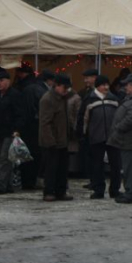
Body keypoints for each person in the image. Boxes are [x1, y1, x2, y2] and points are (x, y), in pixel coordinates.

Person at [78, 75, 122, 199]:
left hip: (113, 136)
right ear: (98, 86)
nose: (106, 87)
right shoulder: (89, 99)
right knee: (97, 165)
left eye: (107, 84)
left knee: (116, 165)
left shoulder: (114, 99)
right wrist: (83, 135)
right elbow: (83, 119)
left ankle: (115, 190)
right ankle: (98, 190)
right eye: (103, 85)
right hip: (96, 136)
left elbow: (119, 117)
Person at [106, 73, 132, 204]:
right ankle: (130, 191)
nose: (125, 88)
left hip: (130, 138)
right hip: (127, 138)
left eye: (128, 85)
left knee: (130, 168)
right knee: (128, 167)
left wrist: (119, 127)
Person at [0, 70, 24, 195]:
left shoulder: (14, 95)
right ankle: (8, 185)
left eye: (2, 80)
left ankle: (1, 184)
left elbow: (20, 114)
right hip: (0, 132)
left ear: (8, 81)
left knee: (4, 158)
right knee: (5, 158)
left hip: (10, 131)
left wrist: (17, 130)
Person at [39, 73, 75, 202]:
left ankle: (61, 191)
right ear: (57, 86)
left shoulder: (62, 97)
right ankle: (49, 191)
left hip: (62, 140)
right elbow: (45, 123)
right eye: (65, 87)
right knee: (51, 168)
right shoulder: (48, 99)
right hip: (52, 141)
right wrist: (50, 141)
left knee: (62, 168)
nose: (67, 90)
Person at [19, 69, 55, 190]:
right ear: (49, 80)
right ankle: (31, 181)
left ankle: (27, 182)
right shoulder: (41, 91)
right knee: (36, 156)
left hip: (27, 128)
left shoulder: (29, 88)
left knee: (27, 156)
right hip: (35, 128)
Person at [77, 68, 98, 183]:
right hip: (87, 129)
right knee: (89, 155)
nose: (85, 80)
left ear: (94, 78)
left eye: (87, 78)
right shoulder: (87, 91)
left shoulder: (95, 93)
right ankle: (91, 179)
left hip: (93, 129)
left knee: (93, 156)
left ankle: (94, 180)